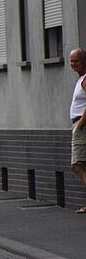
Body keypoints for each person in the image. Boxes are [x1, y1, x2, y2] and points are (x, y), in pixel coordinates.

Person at [68, 48, 86, 213]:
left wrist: (81, 123)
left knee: (77, 165)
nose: (73, 64)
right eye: (71, 60)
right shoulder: (81, 79)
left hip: (82, 126)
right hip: (79, 125)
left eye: (76, 61)